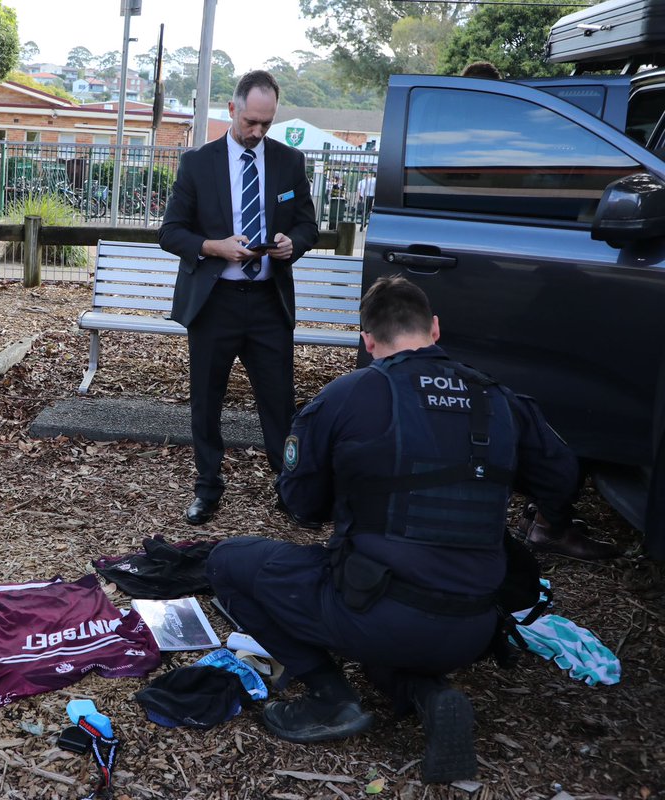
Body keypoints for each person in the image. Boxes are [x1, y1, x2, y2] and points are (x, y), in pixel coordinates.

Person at [206, 276, 590, 784]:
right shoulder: (499, 399)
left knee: (227, 563)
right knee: (391, 623)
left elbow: (301, 506)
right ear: (433, 329)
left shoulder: (347, 396)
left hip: (375, 611)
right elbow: (562, 478)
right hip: (473, 626)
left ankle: (328, 696)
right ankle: (430, 695)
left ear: (367, 340)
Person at [159, 70, 318, 525]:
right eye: (251, 121)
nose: (258, 132)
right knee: (206, 400)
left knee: (280, 402)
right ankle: (208, 488)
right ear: (231, 110)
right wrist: (214, 247)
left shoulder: (290, 163)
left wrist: (294, 244)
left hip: (268, 301)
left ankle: (288, 486)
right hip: (215, 303)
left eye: (267, 124)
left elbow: (308, 225)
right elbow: (170, 232)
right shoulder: (197, 163)